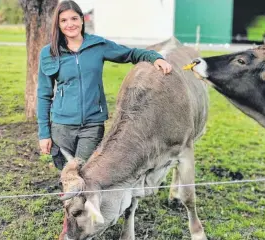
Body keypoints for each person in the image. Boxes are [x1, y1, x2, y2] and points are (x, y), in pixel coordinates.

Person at [37, 0, 172, 170]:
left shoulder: (98, 45)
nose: (70, 24)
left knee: (86, 172)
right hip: (61, 127)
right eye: (63, 20)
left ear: (82, 20)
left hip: (92, 125)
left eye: (74, 18)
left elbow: (130, 53)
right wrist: (44, 133)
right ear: (58, 24)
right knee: (66, 174)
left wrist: (155, 57)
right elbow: (43, 95)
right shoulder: (49, 53)